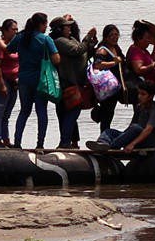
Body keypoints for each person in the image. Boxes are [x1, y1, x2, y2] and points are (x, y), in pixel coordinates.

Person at [11, 12, 56, 149]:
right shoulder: (45, 39)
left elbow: (9, 50)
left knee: (24, 111)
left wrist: (0, 42)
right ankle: (40, 145)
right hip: (40, 81)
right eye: (45, 24)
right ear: (41, 24)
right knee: (41, 111)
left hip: (24, 80)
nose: (46, 27)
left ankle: (17, 143)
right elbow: (56, 59)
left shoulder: (20, 37)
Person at [50, 16, 89, 148]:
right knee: (70, 114)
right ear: (60, 29)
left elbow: (81, 49)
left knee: (67, 114)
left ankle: (71, 142)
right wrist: (88, 38)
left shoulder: (70, 39)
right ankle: (65, 142)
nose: (70, 28)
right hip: (67, 83)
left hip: (72, 82)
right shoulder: (60, 41)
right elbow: (77, 50)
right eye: (67, 26)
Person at [88, 24, 125, 134]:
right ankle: (103, 138)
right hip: (106, 87)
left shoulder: (116, 48)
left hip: (115, 87)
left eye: (116, 34)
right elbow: (97, 65)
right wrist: (114, 63)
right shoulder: (102, 50)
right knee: (106, 114)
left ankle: (106, 136)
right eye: (111, 35)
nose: (114, 37)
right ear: (105, 37)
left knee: (110, 113)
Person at [0, 17, 19, 147]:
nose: (16, 32)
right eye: (13, 29)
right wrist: (1, 84)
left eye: (17, 29)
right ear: (5, 31)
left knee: (7, 114)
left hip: (14, 82)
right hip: (2, 81)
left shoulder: (15, 45)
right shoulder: (0, 46)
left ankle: (6, 139)